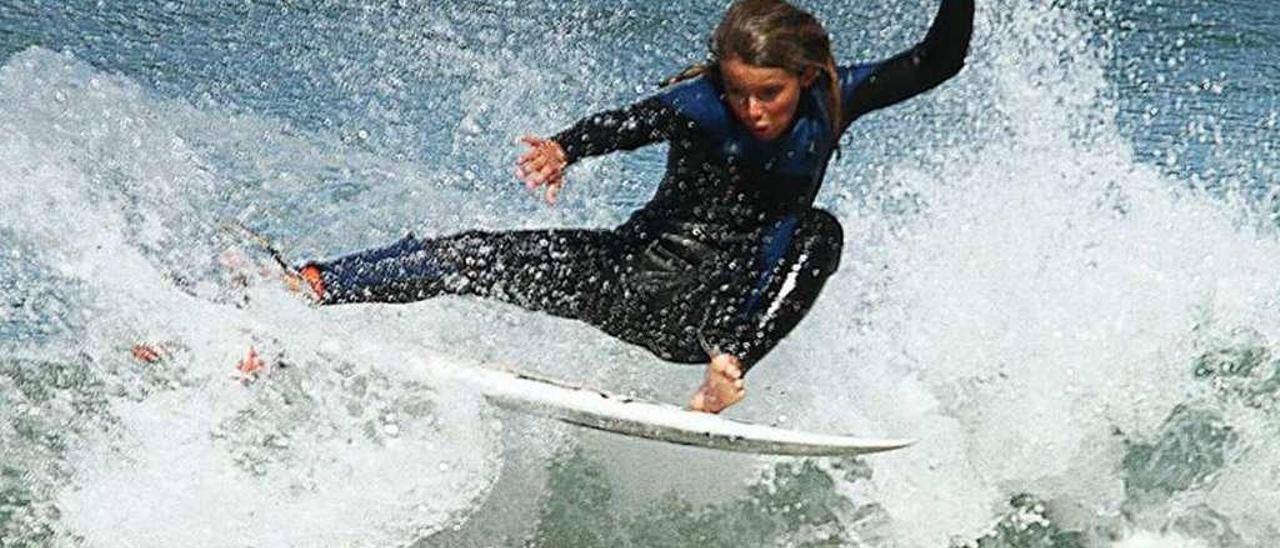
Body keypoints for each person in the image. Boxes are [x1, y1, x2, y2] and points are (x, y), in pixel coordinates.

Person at [291, 0, 974, 413]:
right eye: (740, 92)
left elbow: (937, 61)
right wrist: (563, 148)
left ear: (804, 75)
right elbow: (627, 124)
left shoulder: (836, 98)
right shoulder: (702, 102)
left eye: (769, 93)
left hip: (712, 321)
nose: (753, 109)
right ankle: (314, 285)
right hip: (626, 280)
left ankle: (728, 373)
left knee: (818, 234)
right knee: (474, 255)